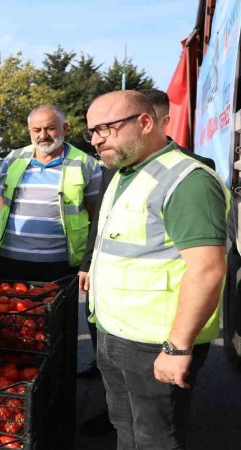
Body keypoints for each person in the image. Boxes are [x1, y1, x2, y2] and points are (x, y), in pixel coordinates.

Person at [85, 90, 227, 449]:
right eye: (92, 131)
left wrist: (177, 347)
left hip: (154, 343)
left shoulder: (187, 180)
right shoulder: (125, 173)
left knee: (156, 439)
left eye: (106, 128)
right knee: (126, 427)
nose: (97, 138)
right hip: (114, 332)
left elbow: (208, 268)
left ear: (145, 122)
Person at [0, 104, 101, 282]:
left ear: (65, 128)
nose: (43, 135)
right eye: (37, 129)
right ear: (29, 131)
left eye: (50, 128)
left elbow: (96, 216)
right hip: (11, 260)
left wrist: (88, 261)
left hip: (62, 263)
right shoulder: (13, 159)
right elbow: (2, 204)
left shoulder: (86, 164)